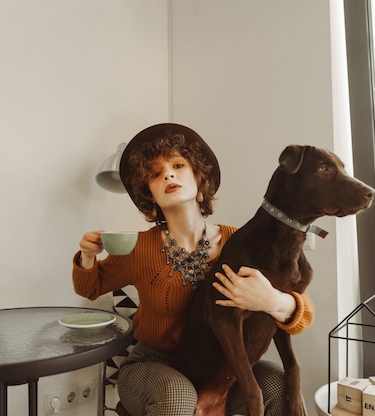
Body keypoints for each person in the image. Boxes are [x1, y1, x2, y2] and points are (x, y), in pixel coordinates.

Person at [73, 123, 314, 416]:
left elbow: (303, 316)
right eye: (155, 173)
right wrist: (87, 257)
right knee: (178, 399)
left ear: (200, 178)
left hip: (220, 365)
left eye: (178, 165)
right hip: (154, 364)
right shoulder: (139, 248)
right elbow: (89, 287)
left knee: (277, 384)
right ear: (149, 194)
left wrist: (273, 301)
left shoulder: (241, 242)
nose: (168, 175)